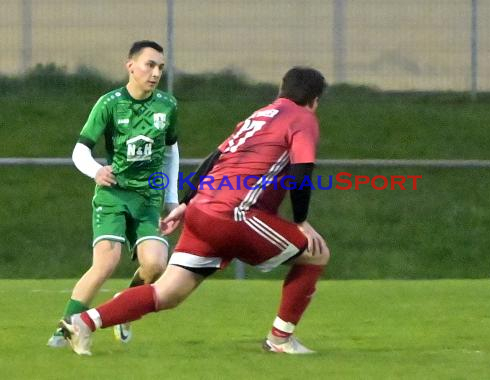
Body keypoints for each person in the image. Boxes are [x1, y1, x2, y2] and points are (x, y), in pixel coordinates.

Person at [59, 67, 330, 356]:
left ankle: (84, 322)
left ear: (281, 88)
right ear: (314, 100)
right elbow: (301, 171)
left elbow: (214, 158)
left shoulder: (260, 115)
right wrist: (301, 221)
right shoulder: (303, 118)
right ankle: (280, 339)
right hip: (234, 214)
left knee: (167, 293)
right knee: (316, 253)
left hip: (202, 210)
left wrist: (187, 203)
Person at [47, 40, 179, 347]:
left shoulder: (168, 105)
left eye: (160, 67)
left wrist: (171, 197)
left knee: (157, 264)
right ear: (130, 66)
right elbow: (80, 151)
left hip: (148, 199)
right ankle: (64, 328)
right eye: (149, 65)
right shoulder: (109, 104)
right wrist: (96, 170)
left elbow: (172, 151)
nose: (155, 72)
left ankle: (125, 306)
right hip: (113, 195)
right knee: (106, 262)